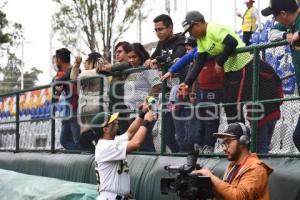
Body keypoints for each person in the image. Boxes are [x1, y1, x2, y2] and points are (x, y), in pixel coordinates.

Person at [180, 11, 283, 154]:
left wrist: (219, 62)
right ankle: (236, 139)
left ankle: (241, 141)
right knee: (229, 105)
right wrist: (186, 82)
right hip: (231, 70)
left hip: (242, 64)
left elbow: (232, 42)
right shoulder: (201, 40)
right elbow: (199, 62)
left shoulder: (213, 28)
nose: (190, 34)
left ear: (197, 24)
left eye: (190, 30)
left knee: (235, 103)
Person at [94, 99, 157, 200]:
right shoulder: (105, 147)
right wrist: (146, 121)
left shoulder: (112, 142)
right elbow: (136, 143)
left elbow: (130, 133)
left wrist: (143, 112)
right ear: (105, 129)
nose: (116, 122)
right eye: (113, 123)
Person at [192, 122, 273, 200]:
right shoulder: (233, 166)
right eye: (223, 143)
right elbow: (227, 194)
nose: (224, 148)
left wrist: (212, 178)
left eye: (228, 142)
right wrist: (210, 184)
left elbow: (239, 197)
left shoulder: (256, 169)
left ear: (243, 141)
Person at [144, 14, 187, 152]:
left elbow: (178, 56)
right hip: (168, 96)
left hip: (182, 93)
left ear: (170, 28)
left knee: (182, 133)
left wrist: (159, 59)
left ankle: (187, 156)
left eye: (161, 29)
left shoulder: (181, 40)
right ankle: (179, 155)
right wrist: (149, 60)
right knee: (168, 134)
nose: (158, 33)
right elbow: (152, 58)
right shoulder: (161, 43)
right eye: (156, 30)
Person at [262, 0, 300, 151]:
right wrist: (287, 34)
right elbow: (271, 34)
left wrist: (298, 34)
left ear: (283, 13)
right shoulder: (289, 24)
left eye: (274, 16)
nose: (274, 19)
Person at [124, 43, 162, 152]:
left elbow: (158, 86)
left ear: (141, 56)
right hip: (133, 113)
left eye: (134, 57)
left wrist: (146, 100)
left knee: (146, 142)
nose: (131, 60)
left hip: (146, 111)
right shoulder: (131, 71)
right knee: (139, 144)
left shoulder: (147, 68)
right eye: (129, 57)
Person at [53, 48, 81, 150]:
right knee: (64, 140)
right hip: (68, 110)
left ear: (59, 59)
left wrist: (56, 82)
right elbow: (57, 87)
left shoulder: (73, 70)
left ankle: (84, 155)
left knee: (77, 139)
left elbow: (61, 80)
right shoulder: (63, 73)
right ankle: (78, 154)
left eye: (56, 59)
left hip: (75, 108)